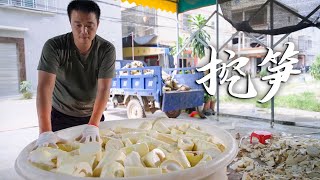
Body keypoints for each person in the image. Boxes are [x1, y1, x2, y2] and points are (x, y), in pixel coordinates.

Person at [35, 0, 115, 148]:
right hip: (61, 116)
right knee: (60, 160)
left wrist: (93, 125)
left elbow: (104, 88)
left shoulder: (106, 49)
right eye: (78, 25)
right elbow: (44, 87)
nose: (84, 31)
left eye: (89, 26)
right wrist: (45, 131)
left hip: (93, 115)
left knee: (95, 157)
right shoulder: (54, 47)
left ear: (98, 24)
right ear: (70, 23)